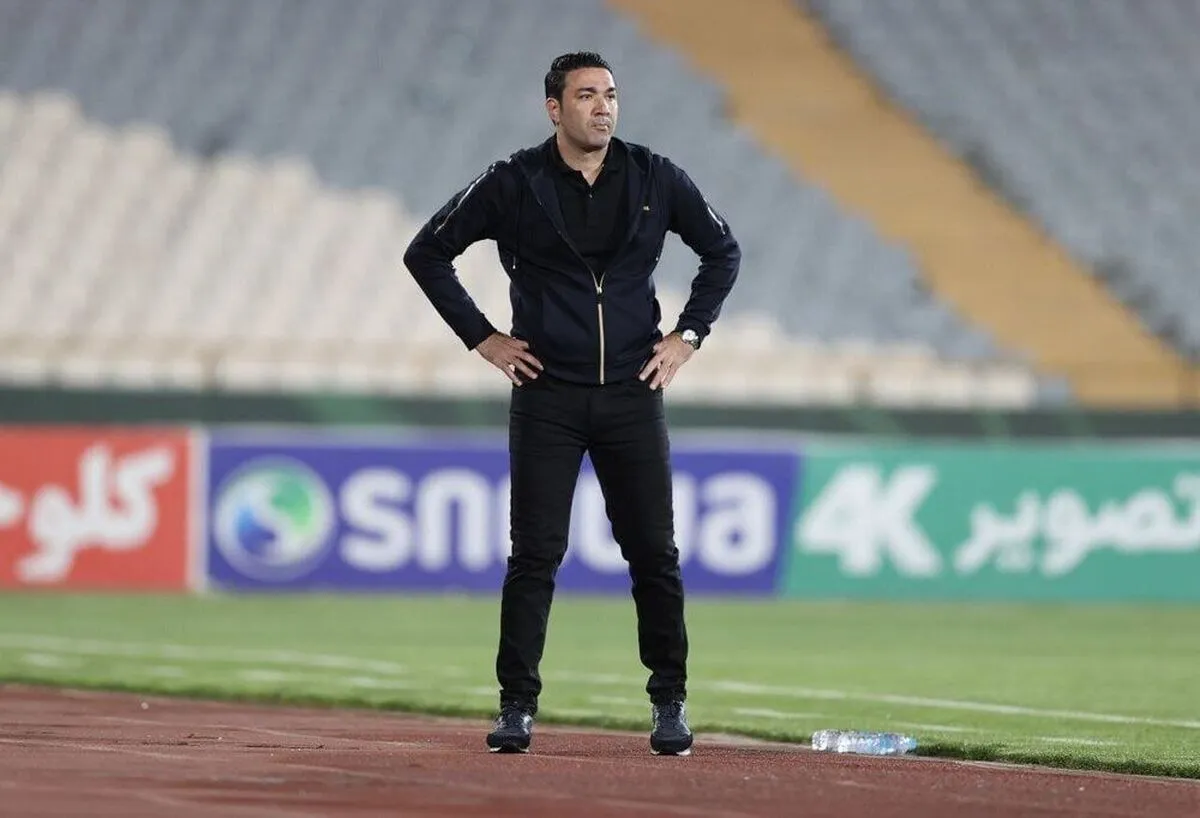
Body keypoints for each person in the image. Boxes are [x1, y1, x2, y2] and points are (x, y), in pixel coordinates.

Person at [403, 51, 740, 756]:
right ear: (554, 109)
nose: (603, 106)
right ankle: (517, 707)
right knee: (535, 557)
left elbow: (722, 252)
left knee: (654, 555)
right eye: (586, 95)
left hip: (633, 393)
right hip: (546, 395)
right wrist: (482, 337)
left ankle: (670, 702)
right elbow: (427, 252)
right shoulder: (513, 181)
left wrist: (687, 336)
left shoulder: (655, 176)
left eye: (610, 94)